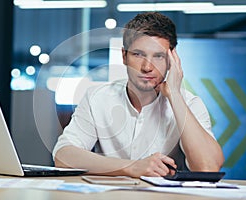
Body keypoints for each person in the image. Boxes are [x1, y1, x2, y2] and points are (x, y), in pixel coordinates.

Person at [52, 12, 224, 178]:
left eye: (158, 56)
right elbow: (63, 156)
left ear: (172, 60)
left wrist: (175, 96)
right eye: (138, 54)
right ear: (124, 56)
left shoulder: (189, 103)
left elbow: (207, 168)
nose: (147, 67)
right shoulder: (97, 98)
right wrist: (132, 167)